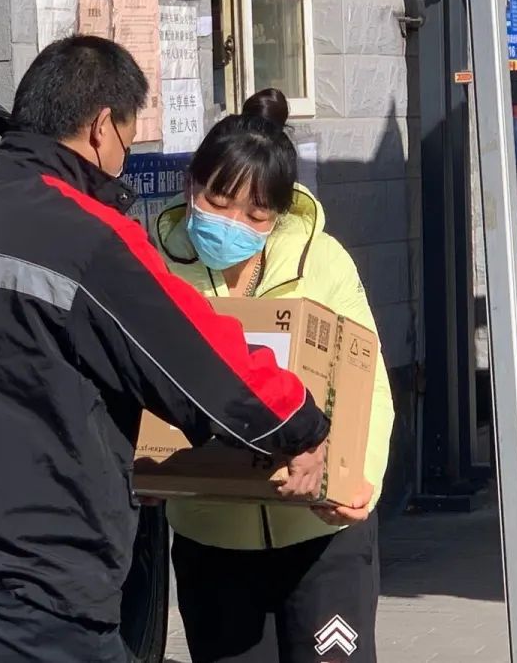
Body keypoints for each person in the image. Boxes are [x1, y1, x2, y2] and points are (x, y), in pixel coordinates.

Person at [0, 39, 331, 662]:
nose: (125, 155)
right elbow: (201, 363)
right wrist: (300, 422)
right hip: (37, 573)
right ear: (101, 127)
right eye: (128, 135)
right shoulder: (84, 236)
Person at [152, 89, 395, 663]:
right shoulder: (155, 267)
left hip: (320, 535)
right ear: (190, 185)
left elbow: (367, 381)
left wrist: (353, 480)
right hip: (210, 533)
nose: (232, 224)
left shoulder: (323, 262)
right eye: (217, 201)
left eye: (255, 216)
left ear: (279, 216)